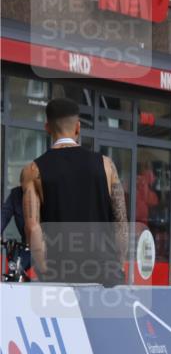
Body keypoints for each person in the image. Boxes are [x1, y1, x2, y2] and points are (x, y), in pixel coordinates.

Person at [21, 98, 127, 285]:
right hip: (104, 273)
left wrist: (45, 270)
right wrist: (117, 265)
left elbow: (33, 227)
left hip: (60, 273)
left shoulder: (33, 170)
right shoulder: (106, 165)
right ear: (78, 127)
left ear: (47, 128)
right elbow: (121, 223)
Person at [1, 186, 31, 275]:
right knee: (13, 276)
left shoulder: (50, 191)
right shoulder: (16, 194)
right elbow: (4, 215)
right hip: (25, 248)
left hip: (49, 247)